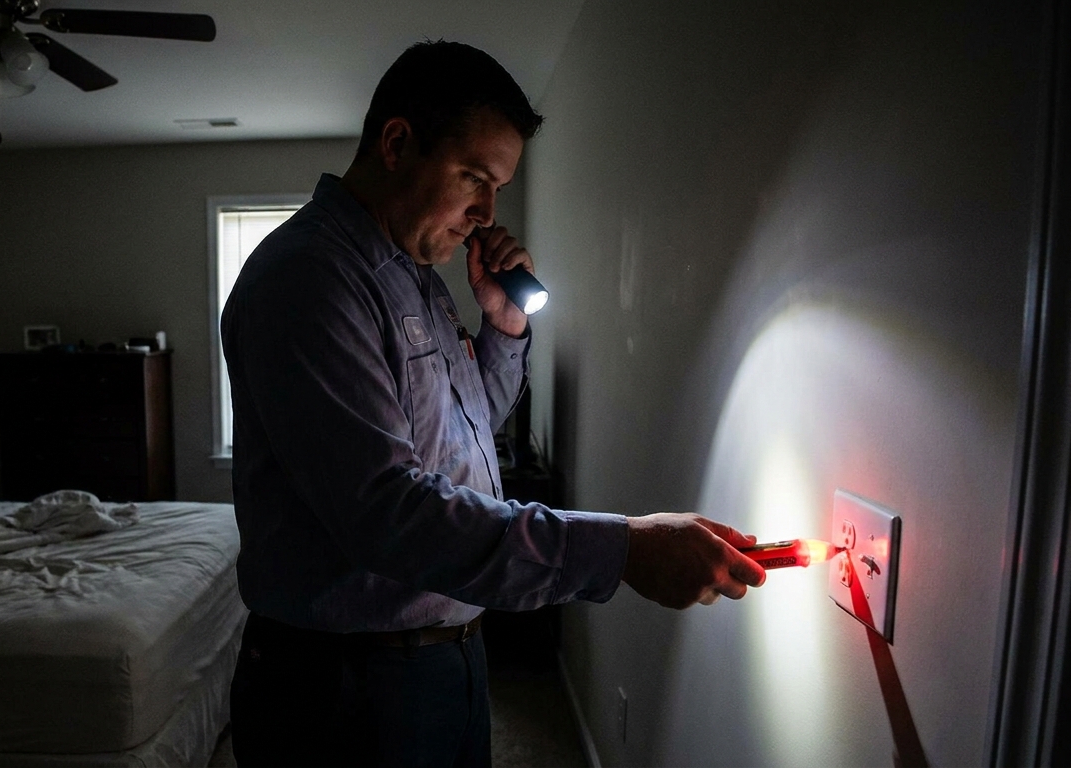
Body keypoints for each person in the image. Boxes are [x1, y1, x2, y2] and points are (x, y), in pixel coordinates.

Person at [220, 40, 767, 768]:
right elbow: (389, 513)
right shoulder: (310, 280)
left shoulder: (413, 273)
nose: (485, 213)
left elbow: (468, 428)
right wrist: (624, 549)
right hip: (346, 687)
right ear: (396, 144)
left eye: (498, 188)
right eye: (474, 178)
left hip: (443, 657)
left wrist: (504, 328)